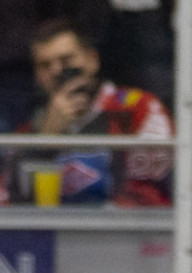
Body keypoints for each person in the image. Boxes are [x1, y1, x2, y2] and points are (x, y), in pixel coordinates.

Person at [12, 19, 174, 206]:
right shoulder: (29, 128)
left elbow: (152, 191)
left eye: (66, 60)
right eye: (45, 65)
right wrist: (46, 139)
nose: (56, 70)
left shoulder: (139, 108)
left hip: (119, 231)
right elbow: (12, 201)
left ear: (92, 61)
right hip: (52, 232)